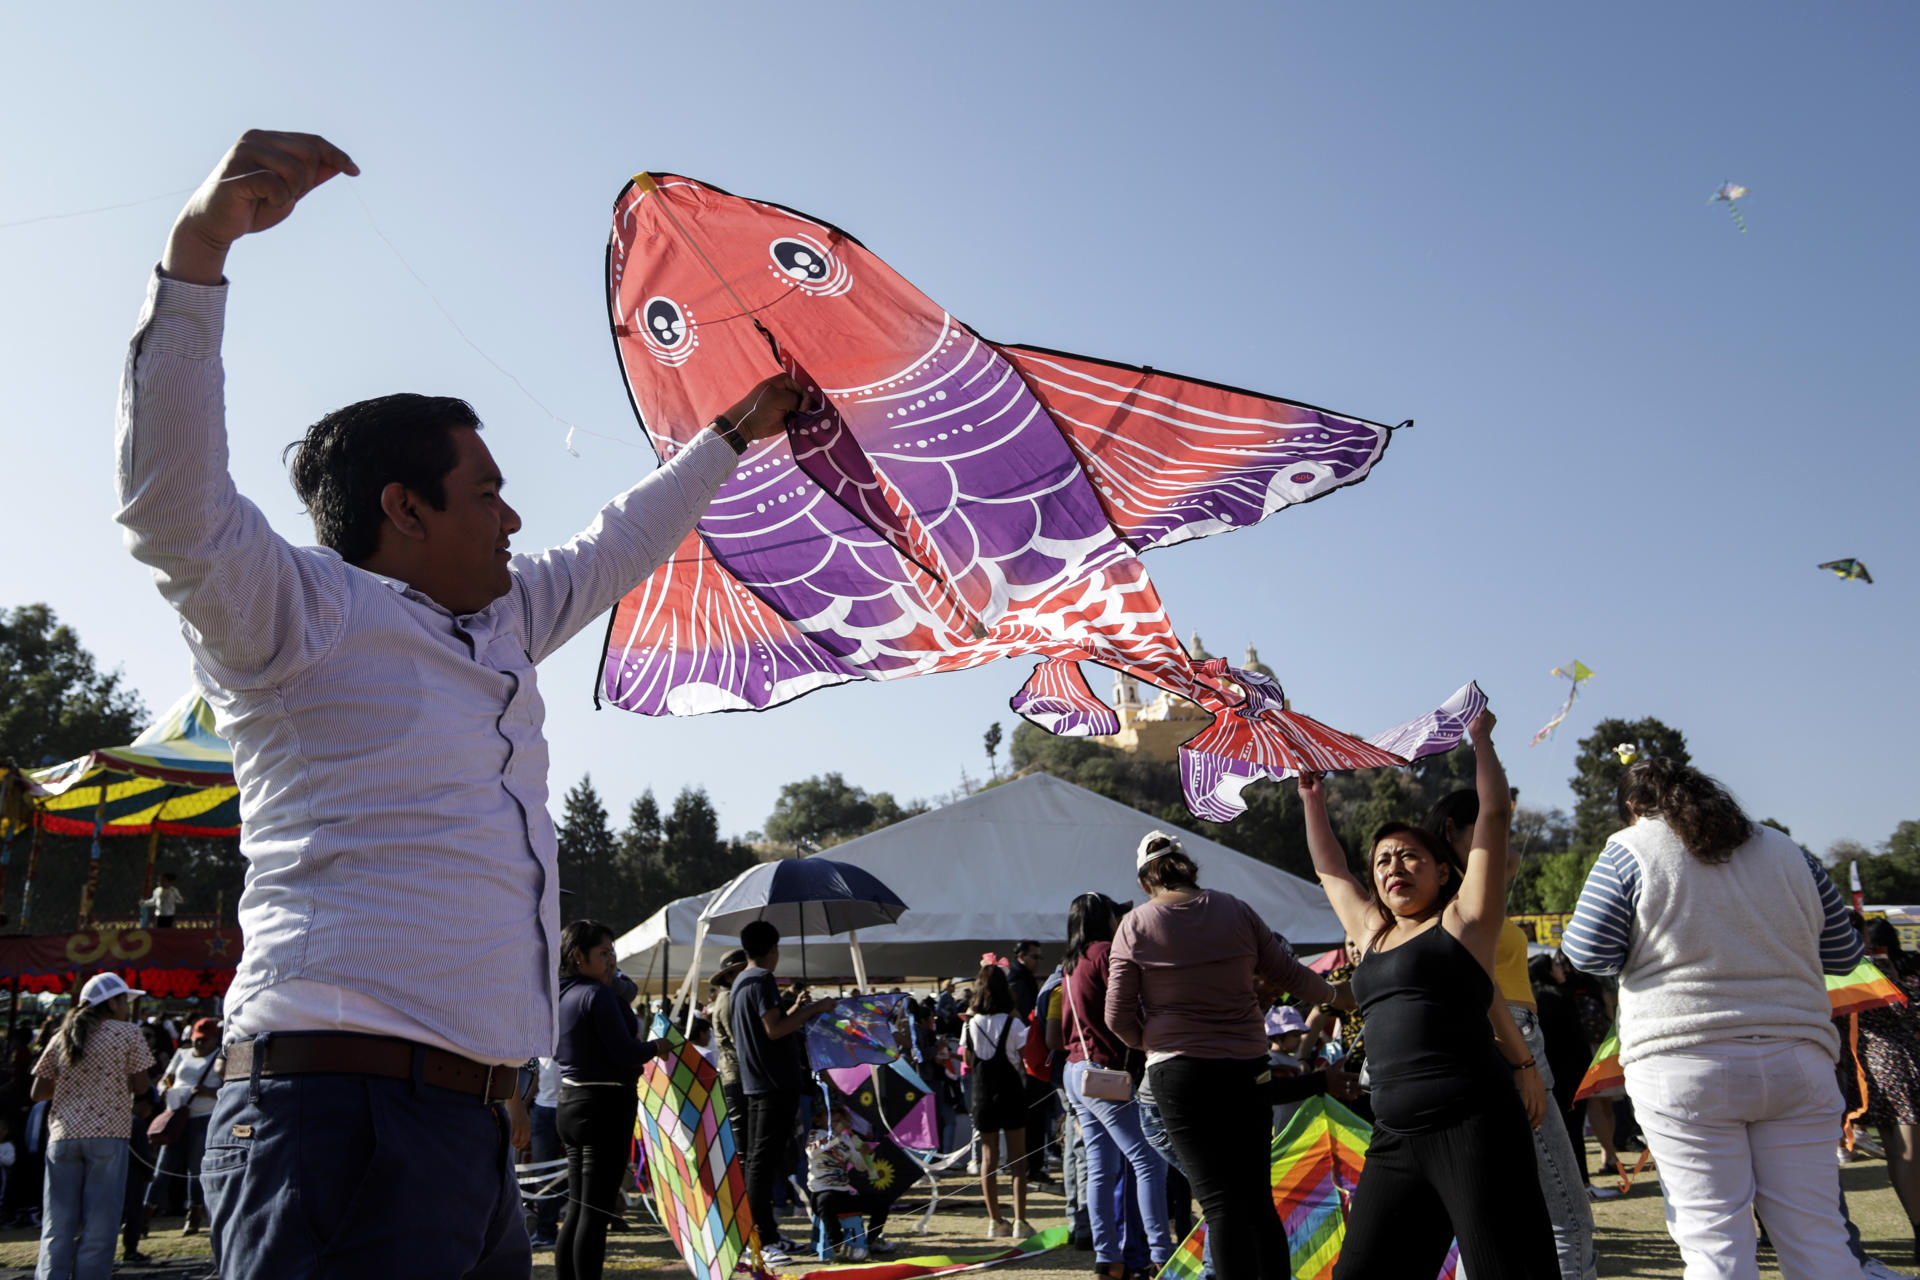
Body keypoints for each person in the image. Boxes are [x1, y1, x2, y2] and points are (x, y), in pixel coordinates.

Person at [117, 131, 802, 1277]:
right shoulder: (296, 612)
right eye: (487, 490)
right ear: (405, 506)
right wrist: (199, 249)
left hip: (476, 1129)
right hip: (335, 1116)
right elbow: (170, 509)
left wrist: (734, 431)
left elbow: (620, 539)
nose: (513, 518)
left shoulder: (505, 619)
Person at [1561, 756, 1864, 1279]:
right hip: (1799, 1056)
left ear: (1632, 808)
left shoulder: (1629, 849)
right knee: (1819, 1240)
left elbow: (1587, 952)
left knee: (1715, 1247)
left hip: (1682, 1059)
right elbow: (1842, 954)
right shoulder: (1791, 852)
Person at [1302, 708, 1556, 1279]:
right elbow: (1330, 868)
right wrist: (1313, 799)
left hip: (1475, 1127)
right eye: (1384, 860)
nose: (1395, 866)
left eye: (1410, 855)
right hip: (1395, 1137)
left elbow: (1492, 814)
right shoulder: (1370, 933)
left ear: (1445, 872)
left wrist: (1482, 742)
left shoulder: (1466, 921)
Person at [1106, 829, 1343, 1280]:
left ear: (1143, 883)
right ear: (1191, 870)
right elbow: (1292, 975)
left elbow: (1116, 1017)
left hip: (1178, 1076)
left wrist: (1154, 1041)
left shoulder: (1134, 925)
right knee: (1255, 1199)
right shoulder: (1236, 909)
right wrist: (1338, 995)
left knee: (1220, 1205)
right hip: (1246, 1070)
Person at [1432, 789, 1596, 1280]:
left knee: (1487, 1222)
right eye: (1488, 824)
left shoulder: (1478, 884)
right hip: (1507, 1040)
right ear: (1451, 833)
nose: (1499, 836)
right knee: (1566, 1219)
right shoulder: (1452, 895)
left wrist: (1494, 814)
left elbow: (1511, 856)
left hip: (1507, 1038)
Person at [1059, 893, 1173, 1278]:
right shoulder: (1107, 952)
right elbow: (1127, 1006)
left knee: (1100, 1167)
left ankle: (1108, 1258)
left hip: (1075, 1071)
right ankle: (1161, 1252)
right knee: (1148, 1160)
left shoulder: (1070, 962)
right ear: (1103, 917)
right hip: (1103, 1073)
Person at [554, 920, 668, 1280]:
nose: (611, 960)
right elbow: (624, 1053)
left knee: (579, 1206)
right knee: (595, 1210)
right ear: (578, 956)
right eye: (603, 953)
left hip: (572, 1101)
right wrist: (656, 1047)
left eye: (612, 952)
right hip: (603, 1105)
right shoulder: (596, 994)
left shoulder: (560, 993)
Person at [31, 973, 156, 1280]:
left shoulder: (62, 1035)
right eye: (124, 1001)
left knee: (57, 1223)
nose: (128, 1007)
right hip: (108, 1134)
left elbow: (38, 1092)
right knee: (100, 1224)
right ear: (110, 1003)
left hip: (63, 1135)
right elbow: (141, 1086)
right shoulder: (127, 1033)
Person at [730, 921, 834, 1263]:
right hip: (773, 1084)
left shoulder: (741, 982)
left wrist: (795, 1008)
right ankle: (759, 1239)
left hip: (757, 1082)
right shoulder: (762, 979)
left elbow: (768, 1026)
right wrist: (813, 1010)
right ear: (772, 949)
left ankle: (768, 1233)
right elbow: (775, 1031)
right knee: (760, 1164)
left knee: (764, 1161)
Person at [1856, 917, 1920, 1265]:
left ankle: (1915, 1224)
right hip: (1899, 1061)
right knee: (1910, 1152)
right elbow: (1907, 1012)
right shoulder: (1874, 967)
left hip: (1867, 1065)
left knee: (1897, 1152)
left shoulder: (1835, 968)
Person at [963, 963, 1033, 1241]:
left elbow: (968, 1061)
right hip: (1011, 1092)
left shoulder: (970, 1024)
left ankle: (995, 1220)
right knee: (1018, 1161)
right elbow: (1025, 1059)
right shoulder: (1014, 1023)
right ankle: (1020, 1221)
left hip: (982, 1094)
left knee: (988, 1159)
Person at [144, 1017, 222, 1236]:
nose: (200, 1044)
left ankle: (194, 1214)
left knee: (195, 1169)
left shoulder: (219, 1058)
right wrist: (164, 1089)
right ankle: (145, 1213)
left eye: (205, 1040)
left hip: (203, 1116)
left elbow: (227, 1090)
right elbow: (166, 1078)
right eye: (197, 1039)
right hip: (177, 1115)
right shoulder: (182, 1054)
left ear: (214, 1039)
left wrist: (206, 1091)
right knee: (163, 1166)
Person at [805, 1106, 891, 1262]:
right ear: (818, 1120)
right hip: (821, 1192)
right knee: (827, 1200)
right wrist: (835, 1135)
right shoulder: (815, 1135)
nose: (838, 1123)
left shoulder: (846, 1140)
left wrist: (867, 1154)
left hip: (843, 1192)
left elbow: (860, 1166)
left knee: (882, 1200)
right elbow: (812, 1151)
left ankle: (871, 1239)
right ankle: (838, 1246)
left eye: (840, 1120)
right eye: (833, 1120)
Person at [706, 949, 752, 1154]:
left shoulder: (732, 997)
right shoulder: (727, 1000)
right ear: (728, 976)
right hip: (736, 1075)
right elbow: (739, 1040)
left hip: (739, 1074)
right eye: (740, 971)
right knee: (743, 1143)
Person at [526, 1056, 563, 1248]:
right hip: (543, 1108)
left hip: (573, 1104)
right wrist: (523, 1107)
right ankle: (545, 1232)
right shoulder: (541, 1029)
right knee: (542, 1173)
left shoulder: (574, 1025)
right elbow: (537, 1071)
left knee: (580, 1170)